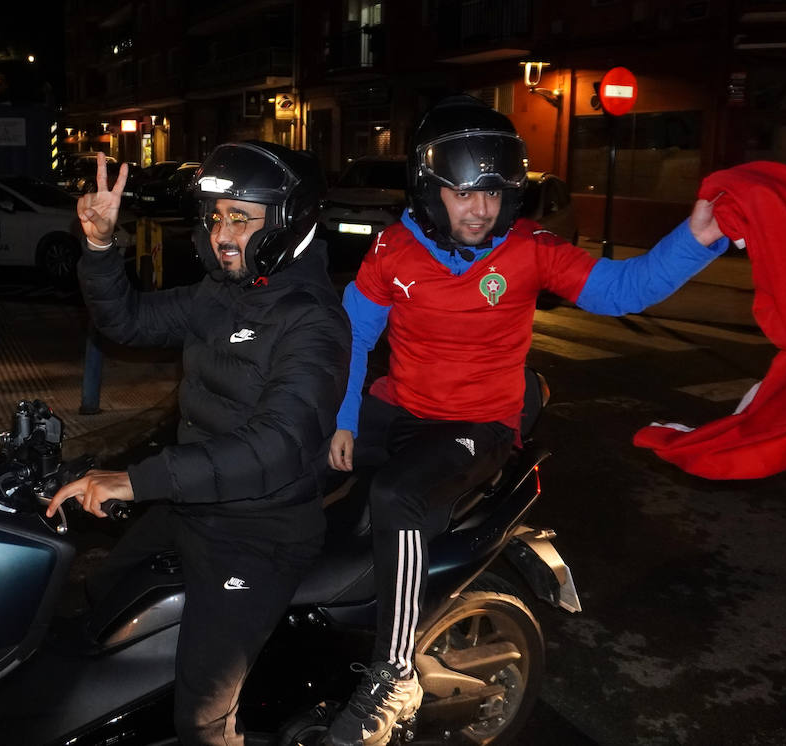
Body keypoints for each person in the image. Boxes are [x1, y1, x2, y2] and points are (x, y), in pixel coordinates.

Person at [324, 95, 728, 743]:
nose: (482, 209)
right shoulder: (392, 252)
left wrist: (696, 240)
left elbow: (622, 289)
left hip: (477, 422)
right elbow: (351, 339)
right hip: (397, 407)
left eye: (494, 193)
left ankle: (394, 673)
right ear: (431, 191)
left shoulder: (532, 249)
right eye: (464, 193)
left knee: (399, 495)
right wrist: (341, 420)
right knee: (303, 478)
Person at [47, 143, 351, 745]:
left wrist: (135, 480)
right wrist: (102, 245)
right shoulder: (222, 292)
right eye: (215, 217)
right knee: (102, 600)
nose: (222, 234)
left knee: (202, 718)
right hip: (194, 504)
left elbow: (277, 446)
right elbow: (128, 321)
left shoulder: (312, 321)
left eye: (242, 217)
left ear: (286, 221)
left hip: (257, 534)